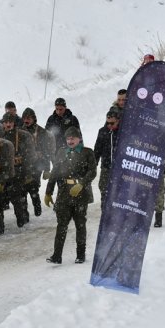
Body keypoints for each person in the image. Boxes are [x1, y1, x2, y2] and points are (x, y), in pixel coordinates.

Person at [44, 127, 97, 264]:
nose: (70, 140)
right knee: (61, 224)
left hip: (80, 193)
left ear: (79, 139)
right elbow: (55, 173)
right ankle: (57, 255)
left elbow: (92, 172)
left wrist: (81, 184)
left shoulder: (87, 152)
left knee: (80, 224)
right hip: (64, 193)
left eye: (73, 138)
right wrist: (48, 192)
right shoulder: (61, 152)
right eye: (68, 138)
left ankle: (80, 254)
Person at [0, 113, 34, 227]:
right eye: (5, 122)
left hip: (19, 170)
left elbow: (29, 155)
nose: (8, 124)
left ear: (14, 123)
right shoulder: (0, 136)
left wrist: (27, 172)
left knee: (19, 196)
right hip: (5, 171)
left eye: (10, 122)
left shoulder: (22, 135)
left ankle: (22, 217)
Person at [21, 107, 56, 216]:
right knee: (22, 189)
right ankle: (24, 213)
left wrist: (47, 168)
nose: (26, 120)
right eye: (24, 118)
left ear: (33, 119)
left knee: (33, 186)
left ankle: (37, 208)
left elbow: (46, 151)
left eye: (29, 118)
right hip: (24, 164)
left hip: (38, 163)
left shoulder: (41, 132)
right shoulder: (20, 131)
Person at [93, 109, 121, 210]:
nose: (109, 125)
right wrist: (94, 164)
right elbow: (97, 149)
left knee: (119, 190)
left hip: (120, 168)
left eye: (112, 123)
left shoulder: (124, 132)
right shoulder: (103, 131)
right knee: (103, 188)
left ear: (118, 121)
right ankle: (105, 211)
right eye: (107, 123)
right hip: (106, 166)